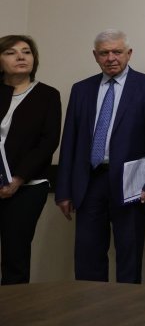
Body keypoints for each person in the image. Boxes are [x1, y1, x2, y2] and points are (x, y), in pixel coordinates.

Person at [55, 29, 145, 283]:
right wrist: (63, 190)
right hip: (89, 182)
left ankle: (126, 306)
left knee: (129, 254)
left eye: (117, 52)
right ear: (95, 56)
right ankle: (89, 305)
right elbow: (69, 141)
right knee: (87, 255)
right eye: (104, 53)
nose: (111, 58)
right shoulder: (81, 89)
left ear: (129, 53)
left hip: (131, 183)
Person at [0, 35, 61, 285]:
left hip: (28, 185)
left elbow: (48, 142)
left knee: (15, 254)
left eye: (26, 52)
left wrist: (17, 178)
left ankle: (13, 307)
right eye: (11, 52)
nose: (21, 57)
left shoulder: (47, 95)